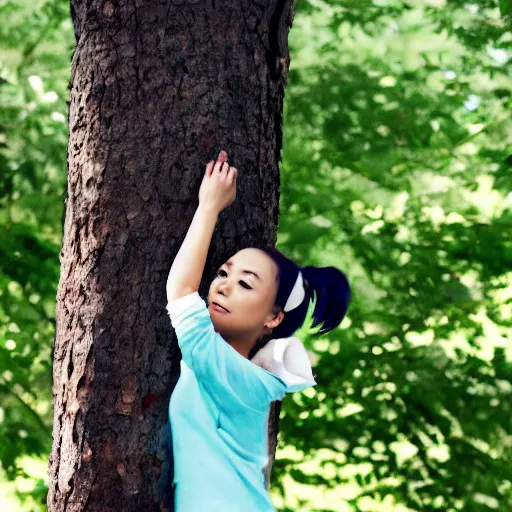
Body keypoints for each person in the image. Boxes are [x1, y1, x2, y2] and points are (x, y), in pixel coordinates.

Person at [163, 150, 351, 511]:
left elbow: (182, 291)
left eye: (246, 284)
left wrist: (209, 206)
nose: (223, 286)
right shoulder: (244, 374)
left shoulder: (225, 369)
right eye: (223, 273)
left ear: (273, 318)